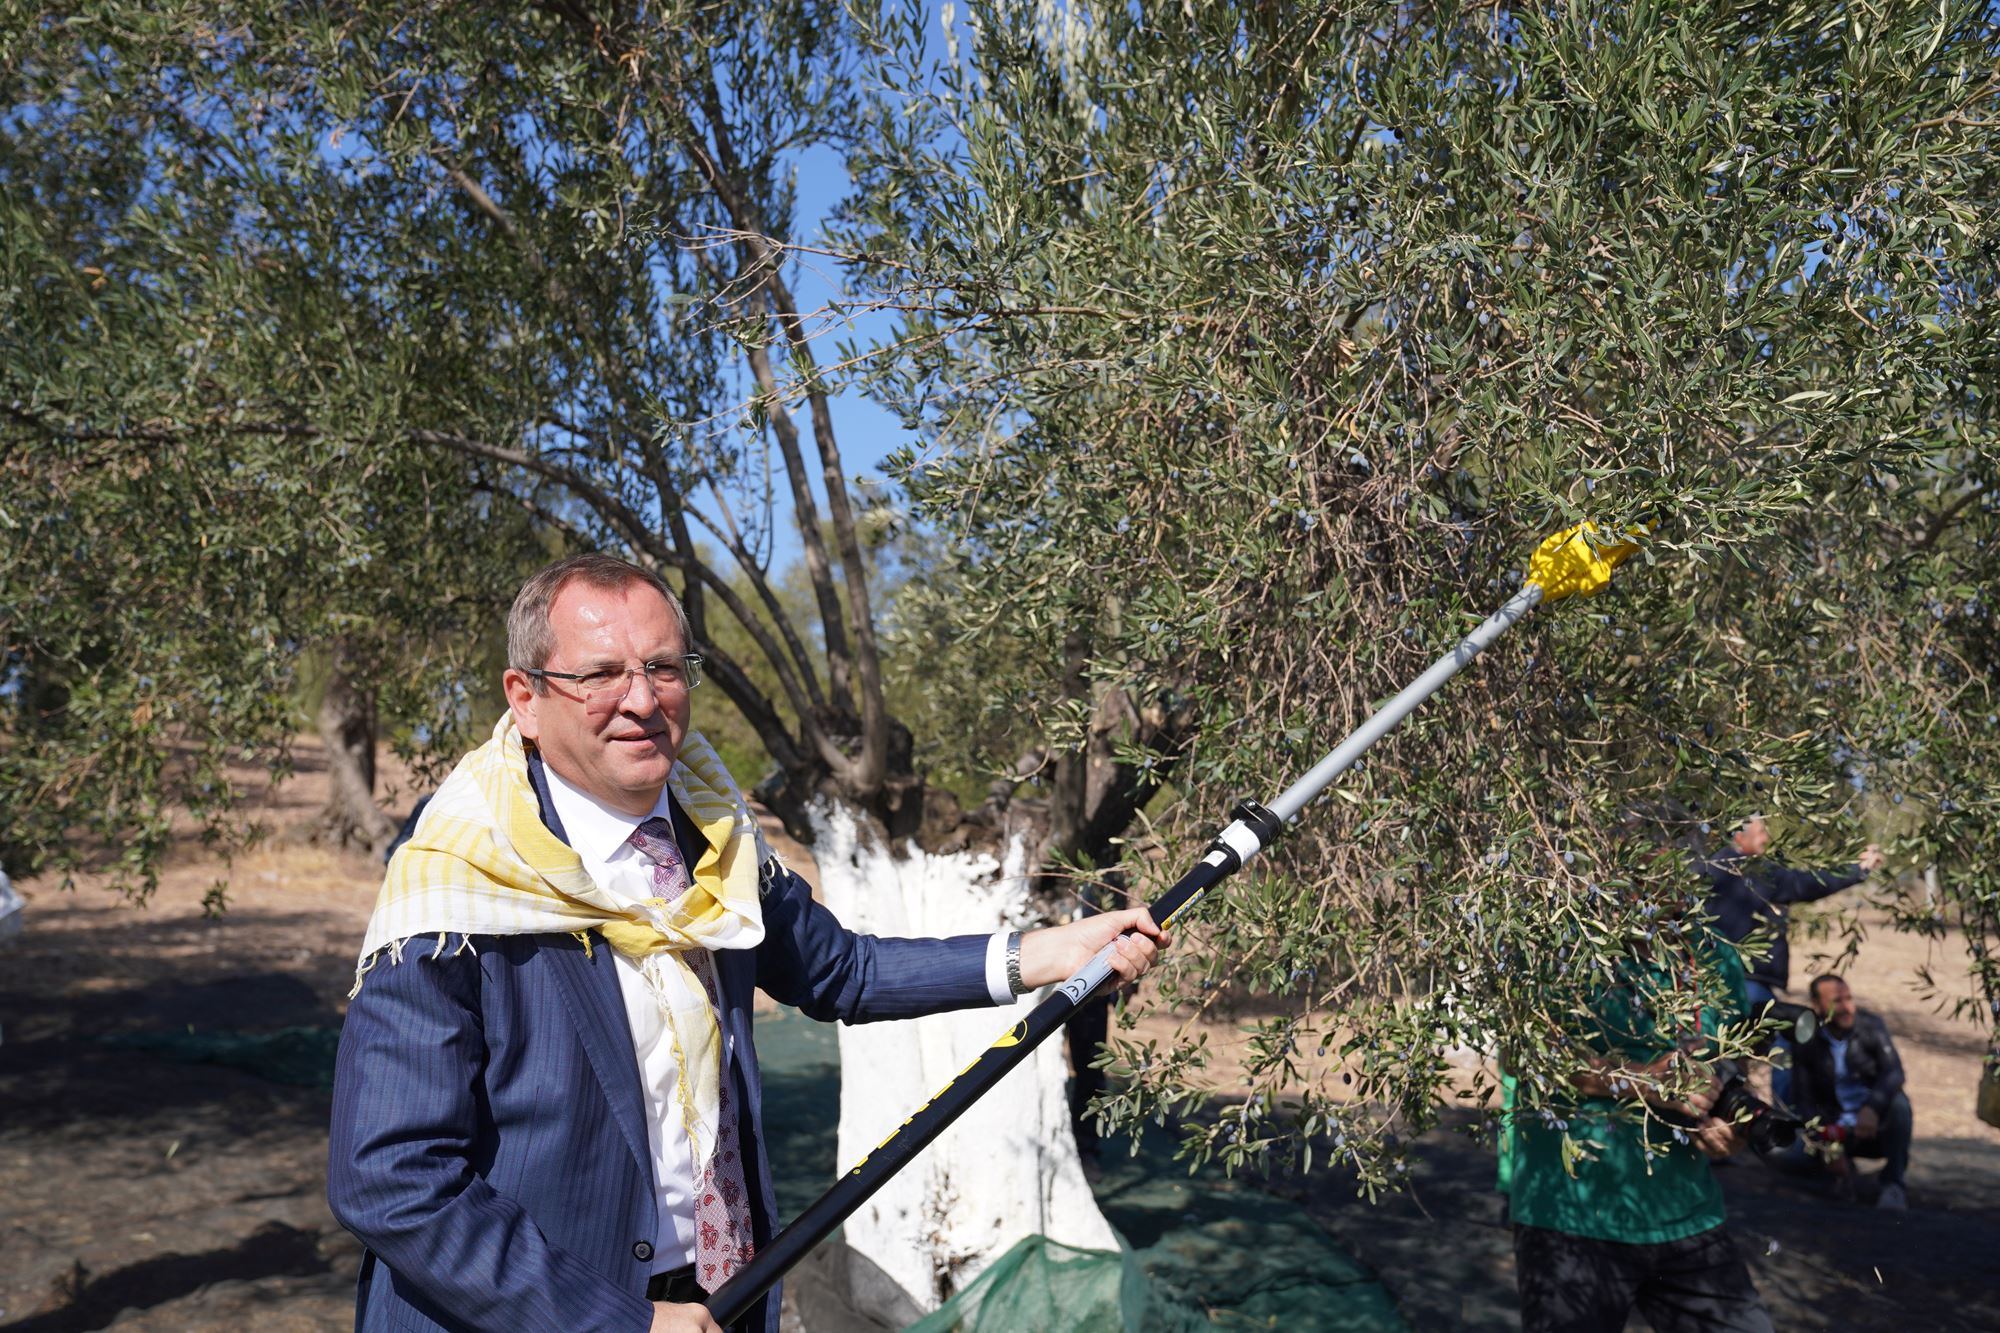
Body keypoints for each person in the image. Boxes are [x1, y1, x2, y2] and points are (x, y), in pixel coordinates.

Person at [327, 554, 1169, 1333]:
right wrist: (618, 1322)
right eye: (601, 674)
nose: (643, 700)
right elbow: (392, 1177)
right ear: (525, 695)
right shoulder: (457, 879)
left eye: (664, 667)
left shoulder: (714, 836)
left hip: (715, 1301)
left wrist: (1046, 953)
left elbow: (846, 970)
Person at [1502, 922, 1775, 1333]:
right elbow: (1525, 1055)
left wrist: (1727, 1125)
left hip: (1689, 1215)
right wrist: (1643, 1080)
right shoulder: (1559, 938)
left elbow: (1733, 1057)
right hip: (1573, 1217)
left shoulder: (1716, 952)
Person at [1697, 815, 1883, 1104]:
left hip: (1710, 977)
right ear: (1739, 837)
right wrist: (1857, 870)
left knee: (1720, 1045)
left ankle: (1725, 1108)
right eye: (1761, 832)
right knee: (1783, 1036)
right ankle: (1786, 1117)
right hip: (1749, 979)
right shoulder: (1759, 871)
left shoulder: (1708, 867)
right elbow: (1809, 883)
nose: (1766, 838)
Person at [1781, 973, 1913, 1210]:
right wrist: (1826, 1145)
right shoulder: (1806, 1038)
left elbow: (1894, 1073)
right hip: (1834, 1126)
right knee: (1788, 1158)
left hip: (1872, 1126)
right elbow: (1804, 1098)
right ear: (1817, 1005)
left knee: (1900, 1105)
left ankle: (1893, 1184)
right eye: (1837, 1001)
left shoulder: (1871, 1026)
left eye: (1849, 999)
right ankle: (1841, 1175)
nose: (1846, 1007)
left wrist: (1872, 1107)